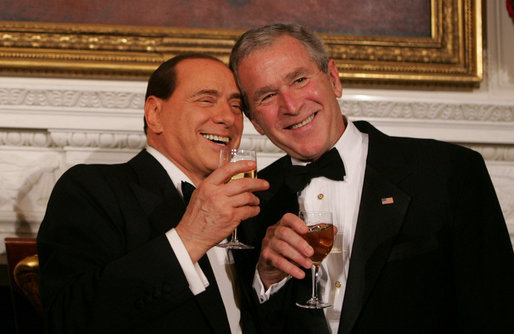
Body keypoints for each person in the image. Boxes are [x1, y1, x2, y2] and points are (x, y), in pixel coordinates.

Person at [229, 24, 514, 333]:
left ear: (333, 79)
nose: (291, 106)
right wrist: (267, 280)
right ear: (254, 120)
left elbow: (497, 311)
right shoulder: (249, 203)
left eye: (299, 80)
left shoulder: (450, 171)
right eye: (267, 96)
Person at [37, 53, 269, 334]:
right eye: (206, 99)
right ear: (155, 114)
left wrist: (266, 280)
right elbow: (68, 319)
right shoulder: (92, 188)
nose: (228, 118)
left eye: (236, 105)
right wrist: (188, 240)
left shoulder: (249, 207)